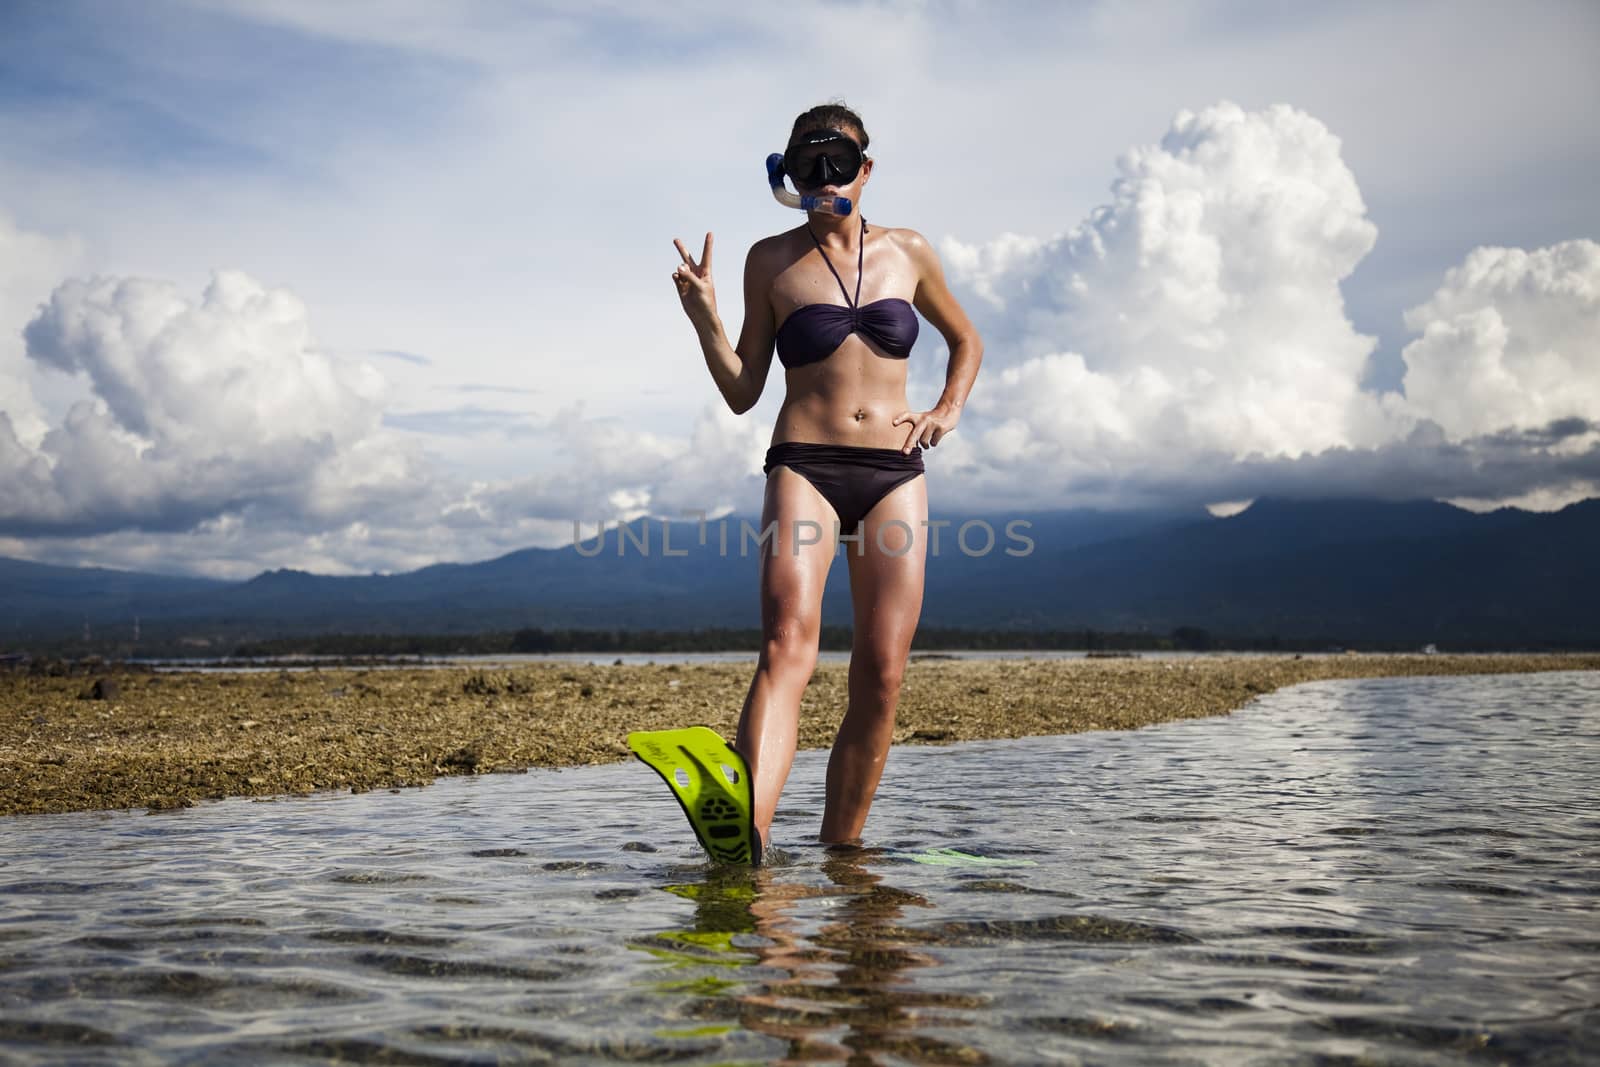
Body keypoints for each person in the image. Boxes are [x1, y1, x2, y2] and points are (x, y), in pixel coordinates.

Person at [670, 102, 983, 854]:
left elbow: (966, 338)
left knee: (881, 672)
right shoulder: (770, 260)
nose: (824, 179)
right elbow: (744, 389)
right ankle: (745, 836)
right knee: (787, 646)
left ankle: (842, 855)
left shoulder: (909, 252)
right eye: (808, 166)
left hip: (894, 473)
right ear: (789, 172)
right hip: (805, 465)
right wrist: (706, 320)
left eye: (838, 164)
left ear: (865, 169)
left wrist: (947, 406)